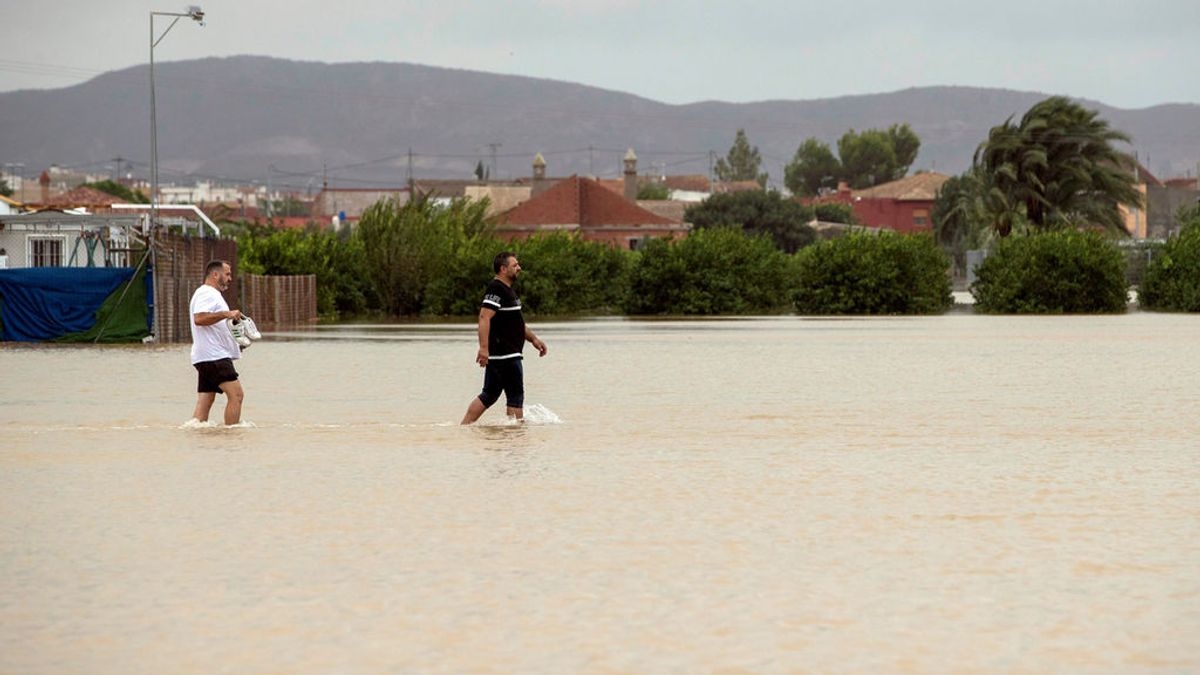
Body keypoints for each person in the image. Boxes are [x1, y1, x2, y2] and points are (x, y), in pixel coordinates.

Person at [461, 251, 547, 424]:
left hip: (505, 355)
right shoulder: (496, 288)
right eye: (515, 265)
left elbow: (517, 323)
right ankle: (515, 440)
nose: (519, 268)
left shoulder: (508, 291)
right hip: (506, 355)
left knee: (489, 395)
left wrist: (534, 340)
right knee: (515, 397)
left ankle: (465, 428)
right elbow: (484, 317)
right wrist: (484, 348)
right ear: (503, 268)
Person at [189, 260, 246, 425]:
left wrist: (236, 344)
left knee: (205, 401)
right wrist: (226, 314)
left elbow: (215, 327)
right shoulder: (207, 293)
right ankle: (231, 435)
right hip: (214, 357)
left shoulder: (209, 294)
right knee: (236, 395)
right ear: (215, 274)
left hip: (207, 356)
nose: (230, 278)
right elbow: (199, 318)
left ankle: (196, 439)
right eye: (227, 274)